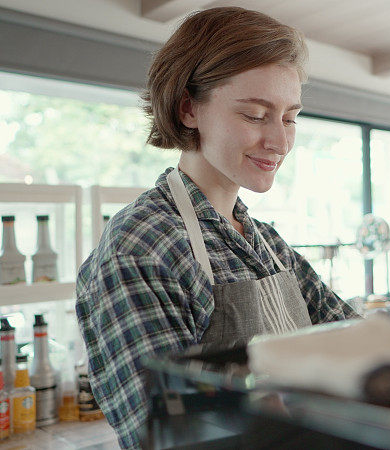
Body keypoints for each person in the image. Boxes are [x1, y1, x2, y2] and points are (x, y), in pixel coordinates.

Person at [75, 7, 359, 448]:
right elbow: (172, 435)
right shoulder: (141, 247)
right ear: (189, 109)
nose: (280, 142)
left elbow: (354, 341)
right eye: (254, 114)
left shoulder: (266, 243)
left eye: (289, 117)